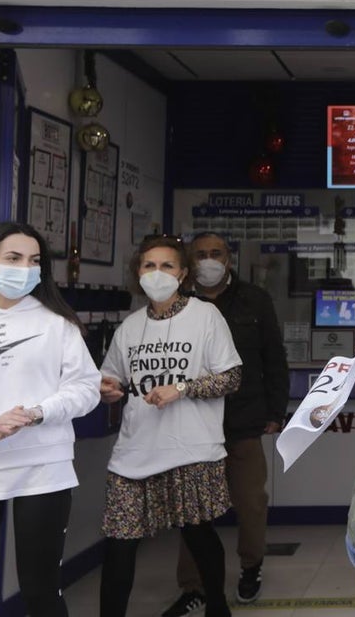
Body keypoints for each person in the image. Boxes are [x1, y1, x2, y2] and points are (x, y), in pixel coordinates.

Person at [0, 221, 102, 617]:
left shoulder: (57, 323)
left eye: (34, 260)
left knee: (42, 593)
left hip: (43, 466)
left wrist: (39, 412)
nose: (24, 268)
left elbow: (86, 388)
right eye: (13, 258)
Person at [98, 235, 243, 617]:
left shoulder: (205, 316)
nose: (157, 273)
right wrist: (107, 390)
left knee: (197, 533)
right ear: (138, 273)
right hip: (135, 450)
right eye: (149, 266)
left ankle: (217, 605)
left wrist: (181, 389)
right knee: (119, 542)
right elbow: (110, 380)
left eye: (166, 266)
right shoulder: (129, 328)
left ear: (182, 273)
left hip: (191, 447)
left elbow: (231, 378)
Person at [162, 232, 289, 617]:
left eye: (215, 253)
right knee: (192, 509)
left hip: (244, 420)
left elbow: (274, 358)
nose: (208, 260)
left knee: (251, 503)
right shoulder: (176, 304)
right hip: (192, 422)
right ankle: (193, 586)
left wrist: (275, 411)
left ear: (229, 260)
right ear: (190, 263)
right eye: (200, 255)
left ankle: (251, 568)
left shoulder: (255, 300)